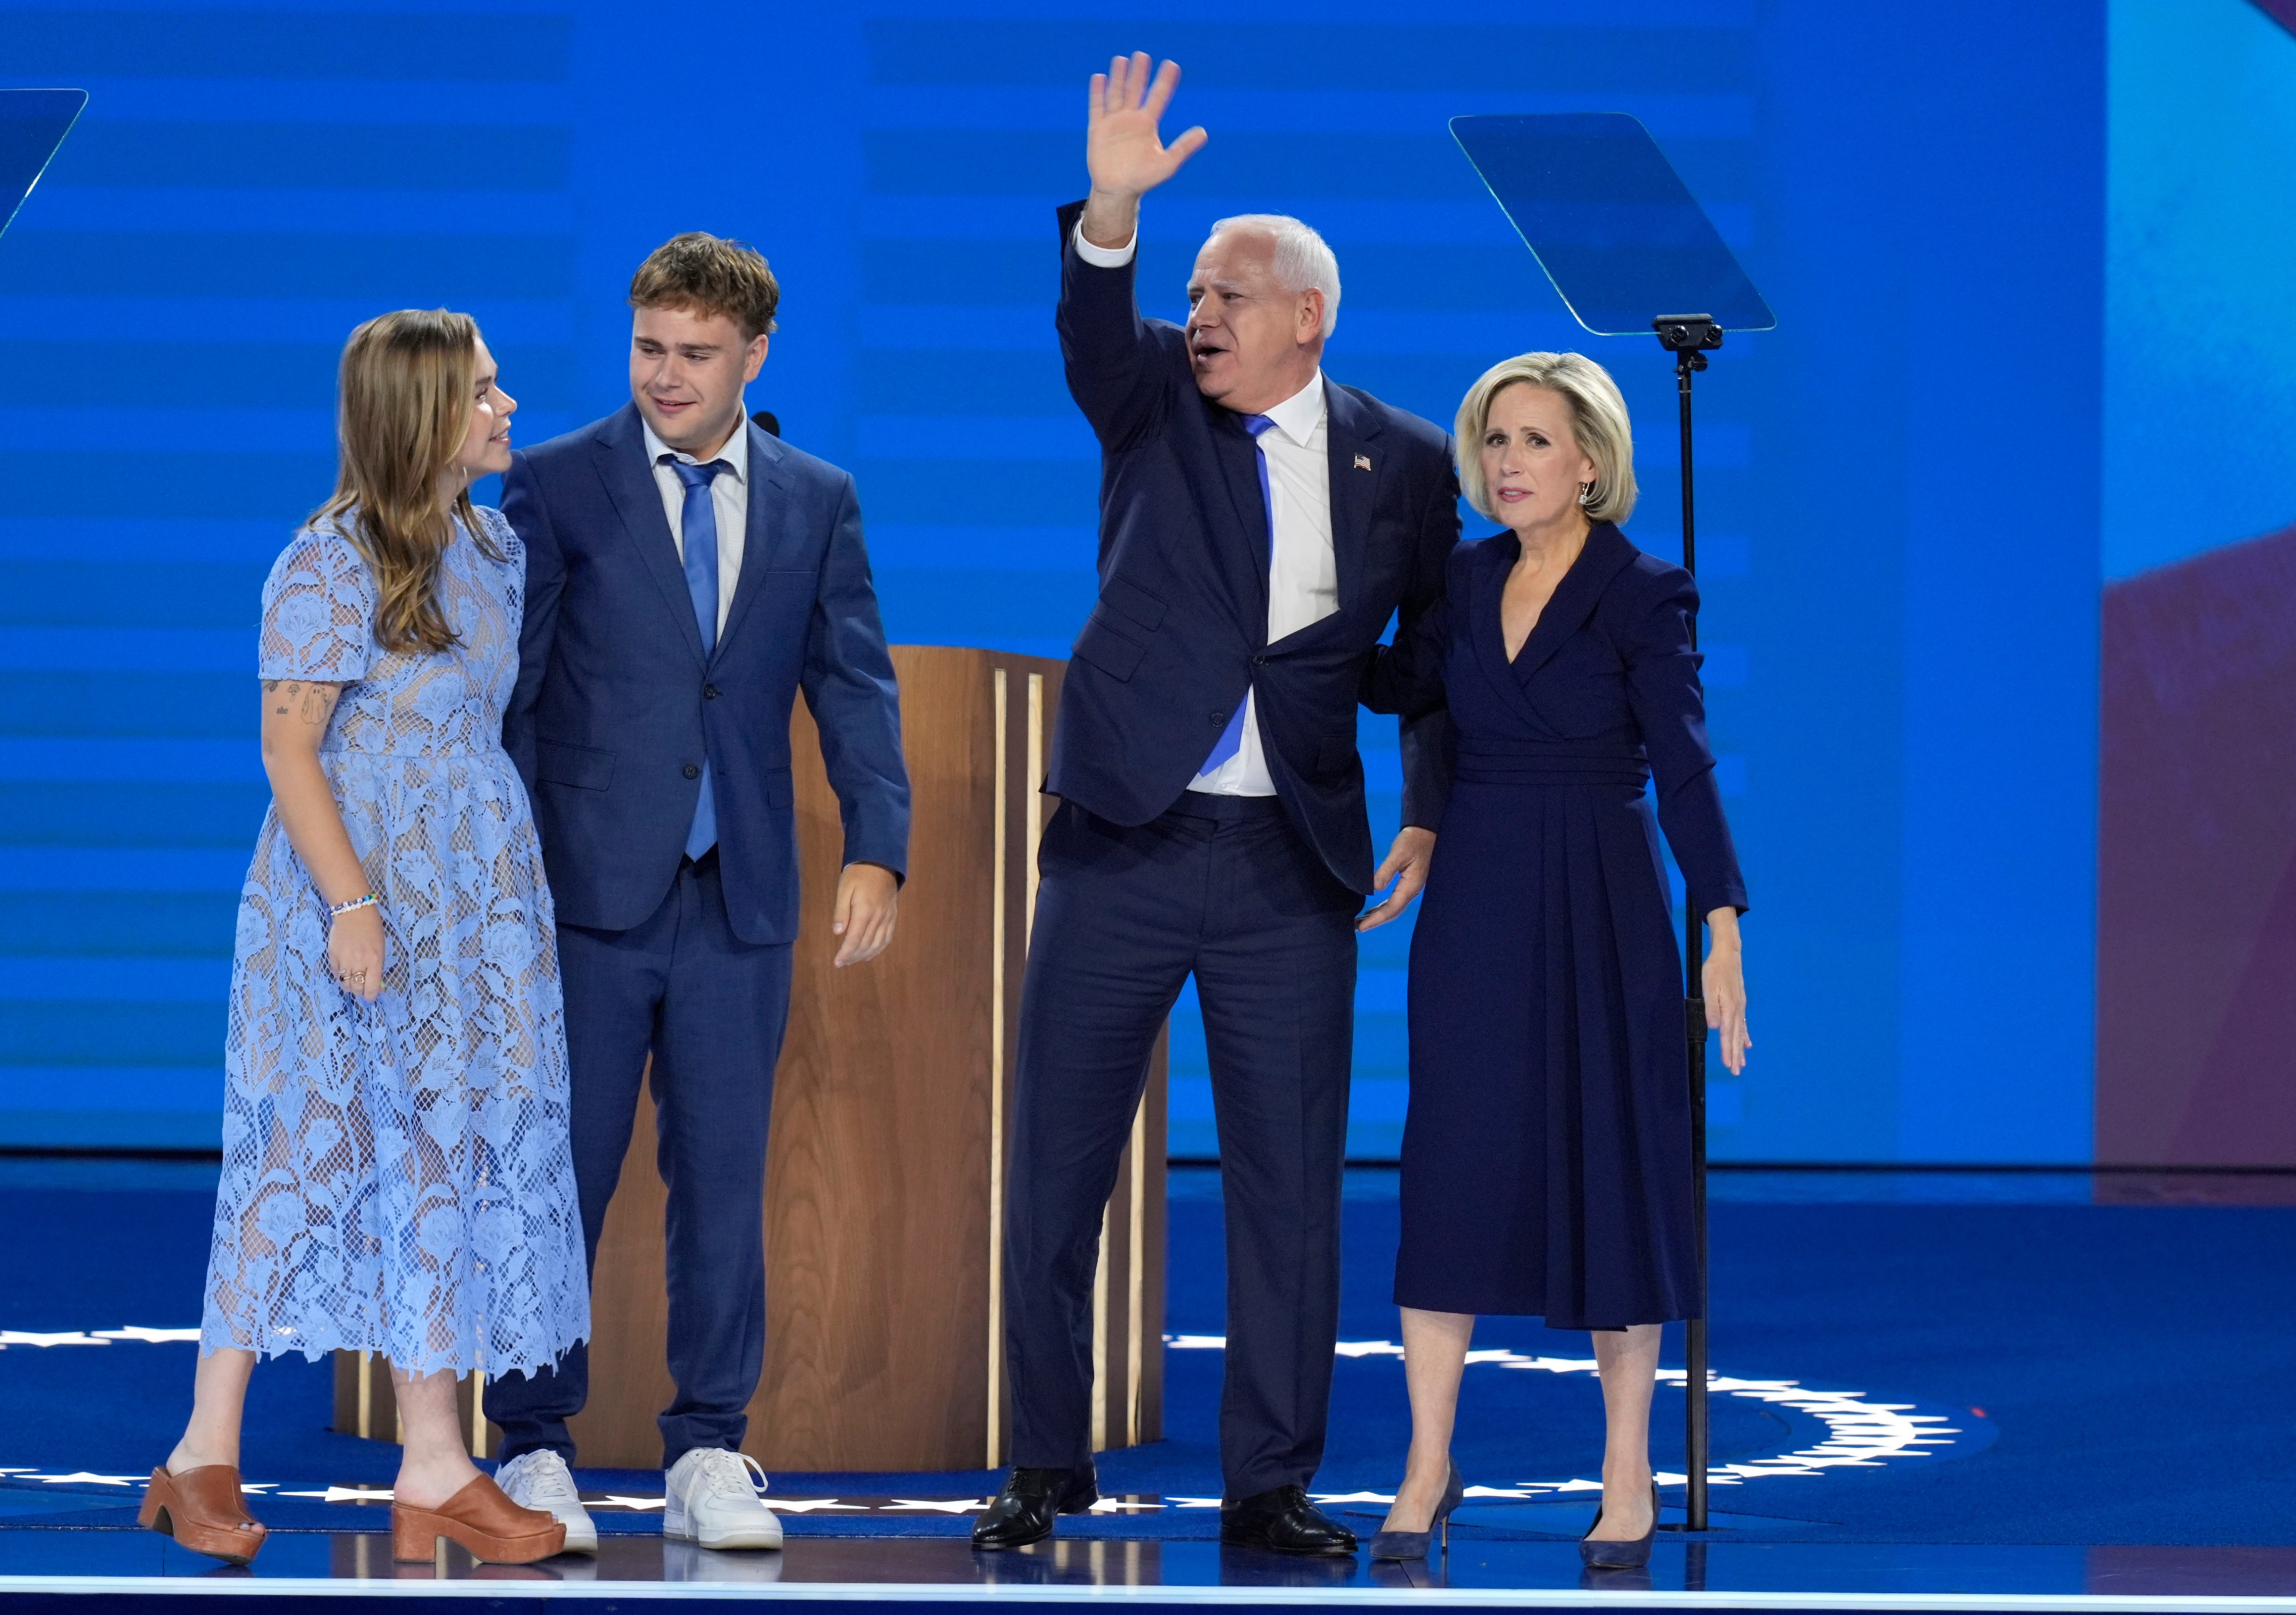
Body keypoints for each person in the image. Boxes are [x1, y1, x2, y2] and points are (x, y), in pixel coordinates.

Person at [971, 55, 1457, 1557]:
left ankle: (1270, 1480)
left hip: (1288, 863)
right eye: (1190, 290)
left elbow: (1430, 660)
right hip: (1126, 837)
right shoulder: (1151, 409)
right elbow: (1092, 325)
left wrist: (1426, 809)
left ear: (1308, 313)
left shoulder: (1410, 464)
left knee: (1288, 1189)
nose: (1201, 316)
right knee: (1055, 1166)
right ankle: (1045, 1464)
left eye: (1227, 293)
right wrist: (1111, 209)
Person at [480, 233, 910, 1554]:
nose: (669, 377)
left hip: (742, 899)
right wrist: (491, 884)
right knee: (564, 1178)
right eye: (650, 350)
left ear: (755, 357)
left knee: (726, 1182)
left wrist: (878, 845)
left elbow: (853, 682)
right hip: (586, 900)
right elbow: (511, 695)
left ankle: (711, 1447)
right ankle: (533, 1442)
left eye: (698, 356)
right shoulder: (554, 487)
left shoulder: (814, 497)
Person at [147, 310, 586, 1568]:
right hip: (348, 902)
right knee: (304, 1157)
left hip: (475, 907)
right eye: (486, 392)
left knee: (446, 1158)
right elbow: (290, 750)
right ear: (425, 415)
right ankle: (199, 1452)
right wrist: (352, 904)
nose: (508, 408)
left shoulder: (494, 548)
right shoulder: (325, 562)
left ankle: (438, 1463)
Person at [1362, 353, 1751, 1570]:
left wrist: (1723, 916)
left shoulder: (1645, 589)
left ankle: (1625, 1469)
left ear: (1591, 461)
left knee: (1614, 1173)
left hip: (1605, 896)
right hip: (1477, 898)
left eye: (1534, 441)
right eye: (1495, 442)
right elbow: (1391, 687)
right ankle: (1429, 1462)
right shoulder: (1466, 583)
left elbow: (1683, 759)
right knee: (1454, 1169)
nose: (1507, 464)